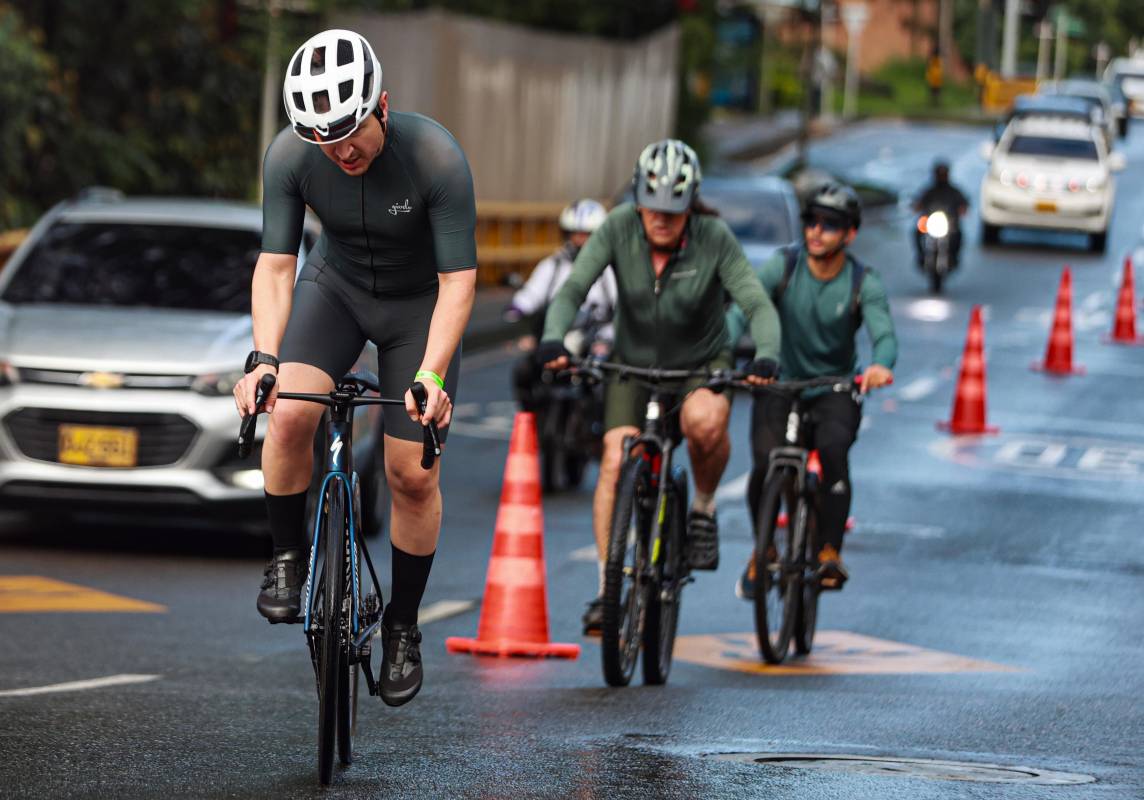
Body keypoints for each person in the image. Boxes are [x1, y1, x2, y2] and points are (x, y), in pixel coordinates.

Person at [232, 29, 476, 707]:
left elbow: (459, 282)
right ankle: (287, 557)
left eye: (348, 130)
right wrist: (264, 360)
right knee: (289, 418)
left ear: (382, 106)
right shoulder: (289, 156)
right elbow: (278, 266)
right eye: (320, 135)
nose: (339, 149)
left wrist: (430, 375)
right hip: (334, 290)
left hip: (417, 307)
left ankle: (402, 625)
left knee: (409, 474)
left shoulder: (435, 157)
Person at [539, 139, 782, 635]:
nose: (662, 220)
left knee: (704, 423)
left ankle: (702, 508)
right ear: (639, 202)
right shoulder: (618, 228)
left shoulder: (713, 237)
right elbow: (573, 288)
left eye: (674, 211)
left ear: (691, 203)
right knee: (613, 457)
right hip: (632, 366)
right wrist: (553, 339)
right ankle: (608, 590)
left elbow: (756, 303)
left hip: (699, 365)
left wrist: (765, 354)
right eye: (653, 210)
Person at [729, 182, 897, 598]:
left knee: (834, 451)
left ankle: (827, 551)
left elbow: (885, 334)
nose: (816, 232)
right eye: (811, 222)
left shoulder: (863, 281)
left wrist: (880, 365)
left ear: (850, 234)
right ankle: (764, 548)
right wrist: (723, 352)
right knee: (765, 463)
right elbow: (743, 307)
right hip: (780, 381)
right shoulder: (782, 266)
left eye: (830, 225)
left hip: (834, 386)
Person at [506, 199, 617, 412]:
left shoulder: (609, 270)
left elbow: (620, 303)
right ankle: (532, 421)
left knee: (607, 380)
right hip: (559, 338)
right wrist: (518, 307)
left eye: (587, 235)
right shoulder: (553, 264)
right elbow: (533, 292)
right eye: (575, 234)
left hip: (596, 338)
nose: (580, 241)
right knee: (523, 371)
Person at [913, 159, 969, 267]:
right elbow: (918, 203)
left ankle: (954, 256)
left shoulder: (954, 191)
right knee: (916, 232)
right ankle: (921, 254)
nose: (942, 176)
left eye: (944, 174)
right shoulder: (928, 191)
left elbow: (964, 204)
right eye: (940, 174)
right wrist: (917, 207)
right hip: (930, 224)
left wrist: (963, 209)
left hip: (949, 224)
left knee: (959, 234)